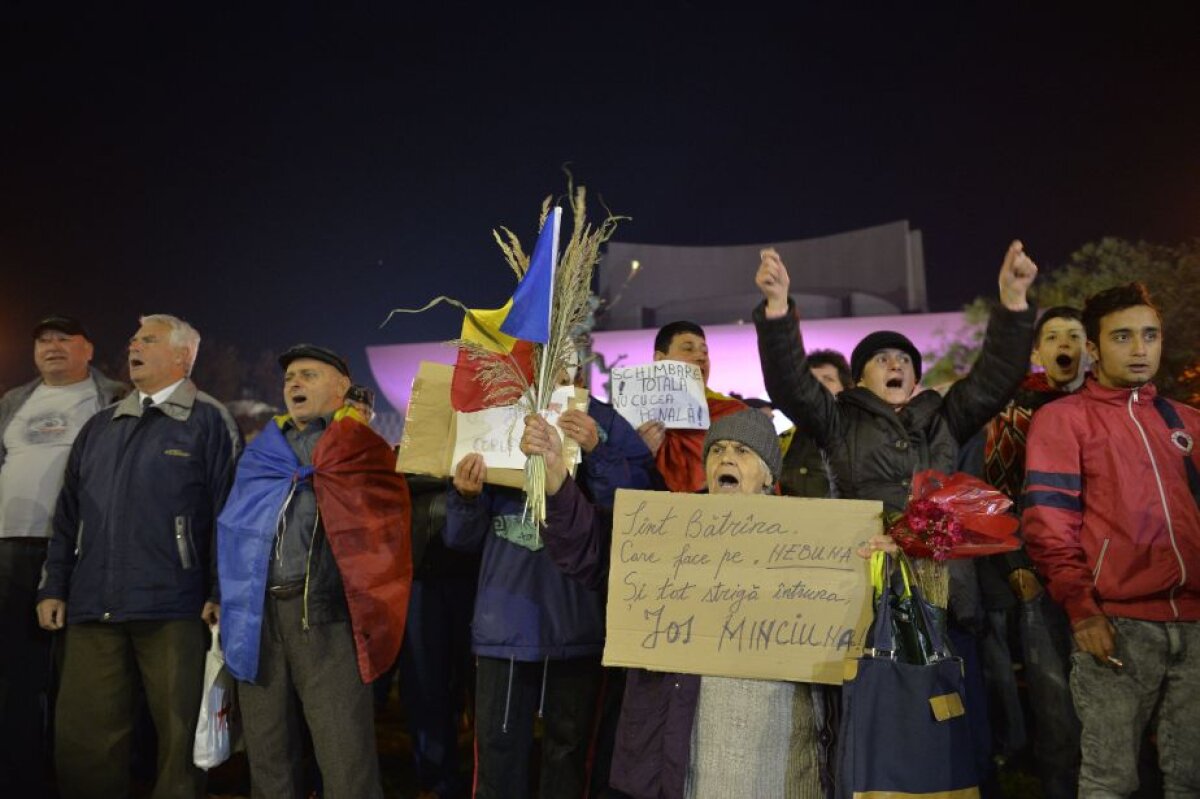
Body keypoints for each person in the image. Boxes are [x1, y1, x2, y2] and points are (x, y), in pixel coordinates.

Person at [529, 408, 820, 798]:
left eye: (743, 451)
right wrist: (555, 479)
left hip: (772, 747)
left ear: (769, 474)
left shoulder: (807, 541)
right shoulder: (670, 527)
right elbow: (591, 550)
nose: (727, 457)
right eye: (716, 450)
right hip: (680, 749)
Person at [36, 314, 240, 799]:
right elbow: (67, 516)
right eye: (132, 339)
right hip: (92, 605)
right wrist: (53, 586)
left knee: (178, 739)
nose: (134, 345)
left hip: (173, 606)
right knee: (85, 738)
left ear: (182, 356)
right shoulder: (100, 426)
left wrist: (219, 591)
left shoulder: (209, 420)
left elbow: (227, 515)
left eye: (148, 339)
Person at [1023, 283, 1200, 797]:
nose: (1140, 348)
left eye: (1150, 335)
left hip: (1195, 626)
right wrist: (1083, 610)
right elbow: (1049, 527)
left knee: (1190, 778)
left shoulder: (1186, 421)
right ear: (1095, 350)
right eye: (1123, 337)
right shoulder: (1062, 420)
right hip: (1117, 628)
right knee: (1110, 780)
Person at [216, 344, 412, 799]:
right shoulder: (263, 452)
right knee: (268, 754)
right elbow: (233, 529)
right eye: (289, 378)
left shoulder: (361, 448)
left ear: (342, 387)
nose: (295, 384)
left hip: (327, 617)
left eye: (308, 374)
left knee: (344, 754)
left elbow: (385, 529)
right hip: (259, 619)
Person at [446, 389, 652, 799]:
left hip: (576, 624)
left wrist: (598, 449)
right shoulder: (491, 417)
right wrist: (466, 498)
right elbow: (460, 539)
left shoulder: (604, 422)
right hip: (505, 623)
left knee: (568, 759)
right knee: (498, 759)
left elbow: (639, 504)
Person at [0, 315, 126, 798]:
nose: (51, 347)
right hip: (12, 549)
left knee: (79, 673)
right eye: (43, 340)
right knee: (16, 671)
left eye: (63, 339)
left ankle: (78, 775)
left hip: (82, 550)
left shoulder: (113, 398)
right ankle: (20, 773)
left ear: (87, 349)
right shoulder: (15, 400)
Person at [965, 306, 1084, 797]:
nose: (1065, 345)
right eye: (1053, 336)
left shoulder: (1108, 406)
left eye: (1075, 336)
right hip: (1041, 574)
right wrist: (1016, 566)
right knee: (1054, 699)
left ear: (1089, 349)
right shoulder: (1015, 412)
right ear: (1037, 352)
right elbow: (994, 491)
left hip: (1111, 577)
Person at [635, 320, 746, 492]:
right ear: (659, 360)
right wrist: (639, 454)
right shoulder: (633, 415)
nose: (701, 357)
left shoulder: (734, 414)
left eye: (705, 352)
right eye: (688, 349)